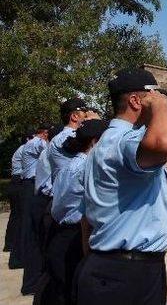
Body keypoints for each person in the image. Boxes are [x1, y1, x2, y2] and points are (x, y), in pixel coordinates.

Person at [76, 67, 167, 305]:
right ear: (136, 100)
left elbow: (86, 218)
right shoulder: (125, 140)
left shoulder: (102, 146)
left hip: (107, 267)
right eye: (154, 95)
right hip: (129, 274)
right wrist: (161, 105)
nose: (160, 101)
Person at [36, 119, 109, 305]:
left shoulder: (68, 165)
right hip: (76, 237)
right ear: (94, 141)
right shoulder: (88, 168)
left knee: (59, 288)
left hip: (58, 232)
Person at [19, 124, 50, 295]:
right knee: (34, 236)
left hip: (31, 186)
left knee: (31, 233)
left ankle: (32, 282)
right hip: (32, 187)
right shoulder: (36, 143)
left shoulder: (32, 144)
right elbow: (53, 147)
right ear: (42, 133)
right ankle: (32, 283)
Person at [5, 134, 30, 268]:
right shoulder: (26, 148)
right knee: (20, 217)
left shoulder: (20, 149)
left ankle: (9, 244)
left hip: (15, 182)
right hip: (19, 182)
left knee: (15, 216)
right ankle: (15, 251)